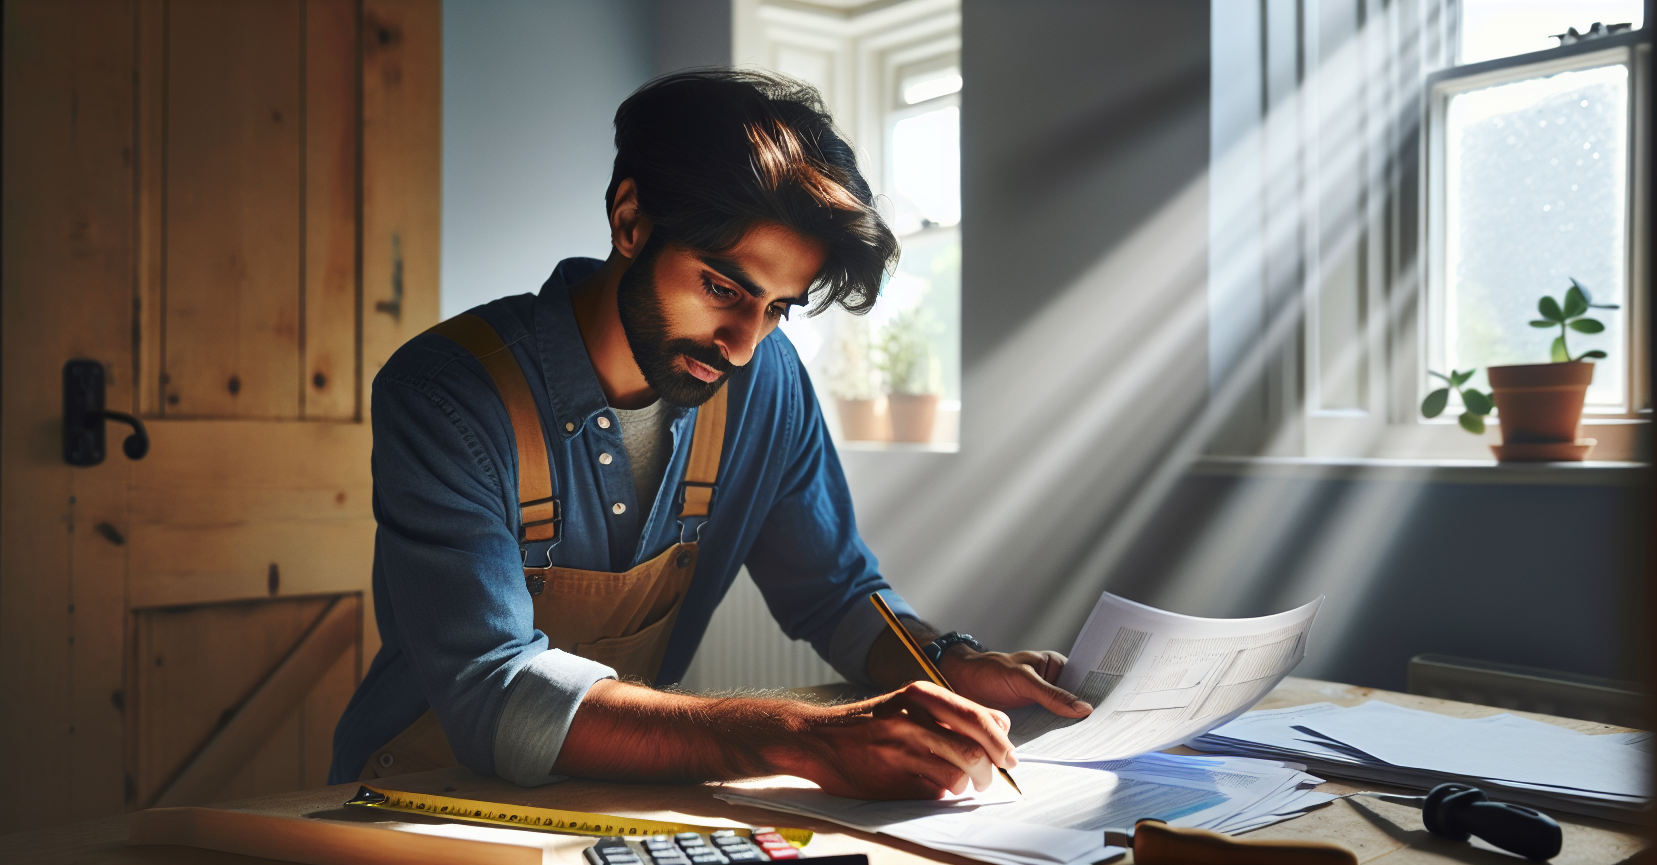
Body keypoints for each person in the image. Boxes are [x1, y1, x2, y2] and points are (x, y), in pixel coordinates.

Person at [330, 70, 1090, 800]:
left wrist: (945, 660)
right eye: (723, 288)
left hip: (607, 798)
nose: (743, 345)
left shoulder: (767, 383)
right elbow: (491, 689)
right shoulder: (447, 393)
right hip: (408, 799)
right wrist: (800, 736)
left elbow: (836, 593)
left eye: (777, 309)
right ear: (630, 221)